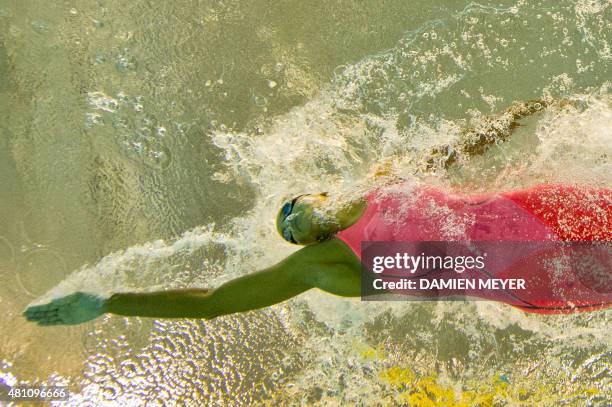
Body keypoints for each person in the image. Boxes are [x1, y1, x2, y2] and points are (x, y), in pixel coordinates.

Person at [23, 101, 611, 326]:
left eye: (293, 208)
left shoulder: (380, 183)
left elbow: (453, 151)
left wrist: (512, 121)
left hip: (536, 211)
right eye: (288, 228)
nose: (295, 221)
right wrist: (106, 302)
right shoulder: (325, 268)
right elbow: (214, 303)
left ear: (316, 197)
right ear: (303, 243)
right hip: (526, 276)